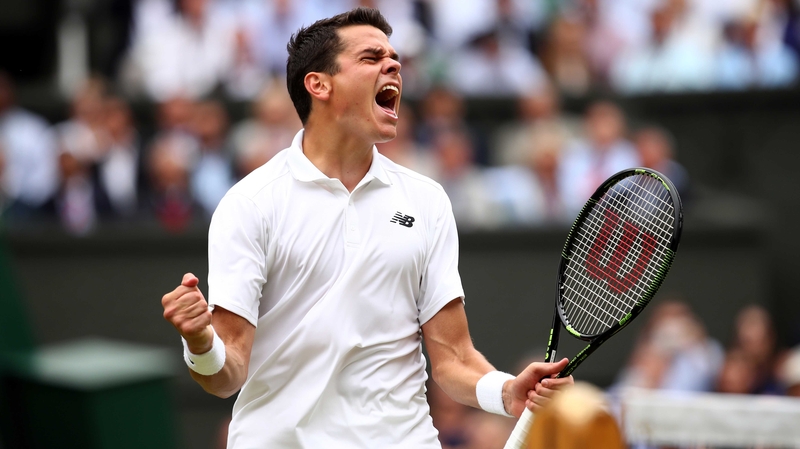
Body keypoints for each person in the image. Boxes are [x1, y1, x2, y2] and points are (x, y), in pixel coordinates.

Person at [160, 8, 573, 448]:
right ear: (319, 84)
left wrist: (506, 390)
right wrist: (201, 342)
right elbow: (227, 375)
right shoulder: (249, 204)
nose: (393, 65)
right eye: (371, 57)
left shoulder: (427, 200)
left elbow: (452, 357)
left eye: (394, 58)